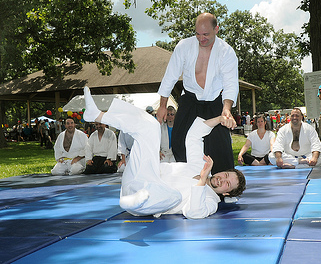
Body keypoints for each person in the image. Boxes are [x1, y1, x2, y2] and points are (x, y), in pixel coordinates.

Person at [82, 86, 245, 219]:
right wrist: (219, 119)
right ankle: (97, 115)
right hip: (139, 177)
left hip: (142, 203)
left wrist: (202, 180)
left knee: (173, 196)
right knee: (151, 126)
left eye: (227, 183)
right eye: (225, 175)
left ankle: (133, 201)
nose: (221, 179)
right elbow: (194, 135)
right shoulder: (202, 167)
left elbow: (194, 213)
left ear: (226, 192)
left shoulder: (210, 201)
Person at [156, 13, 238, 174]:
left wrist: (226, 109)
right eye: (198, 34)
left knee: (220, 146)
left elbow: (230, 83)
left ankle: (224, 187)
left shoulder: (226, 52)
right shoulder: (184, 46)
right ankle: (187, 180)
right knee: (180, 143)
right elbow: (170, 76)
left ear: (216, 29)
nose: (201, 39)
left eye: (206, 34)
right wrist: (162, 106)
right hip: (189, 100)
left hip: (215, 101)